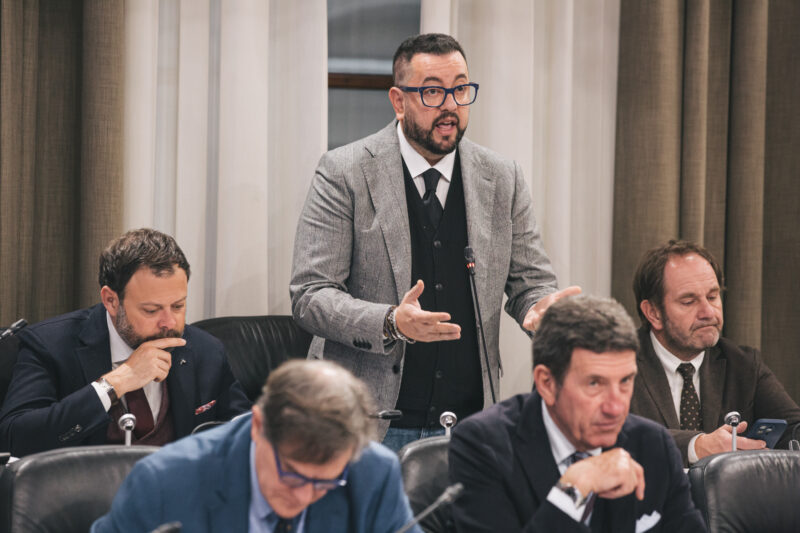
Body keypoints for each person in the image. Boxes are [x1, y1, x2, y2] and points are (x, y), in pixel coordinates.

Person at [290, 33, 578, 450]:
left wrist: (540, 309)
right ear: (398, 100)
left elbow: (530, 282)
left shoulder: (502, 178)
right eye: (432, 92)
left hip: (470, 422)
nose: (450, 106)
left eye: (460, 89)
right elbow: (310, 295)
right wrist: (391, 321)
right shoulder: (344, 173)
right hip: (366, 421)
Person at [449, 295, 706, 532]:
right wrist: (575, 488)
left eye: (625, 381)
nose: (616, 408)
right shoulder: (482, 446)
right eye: (594, 384)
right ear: (547, 383)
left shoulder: (652, 445)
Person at [91, 359, 420, 533]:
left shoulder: (372, 473)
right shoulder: (165, 483)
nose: (303, 496)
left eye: (324, 483)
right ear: (258, 426)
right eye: (291, 475)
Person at [0, 228, 249, 456]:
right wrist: (114, 384)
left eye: (178, 306)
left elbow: (248, 432)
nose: (169, 322)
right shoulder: (50, 345)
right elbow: (14, 438)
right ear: (111, 301)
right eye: (151, 310)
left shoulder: (206, 351)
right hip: (85, 489)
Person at [630, 240, 800, 465]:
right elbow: (614, 437)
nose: (708, 312)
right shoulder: (617, 362)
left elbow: (793, 429)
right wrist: (695, 446)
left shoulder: (743, 364)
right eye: (689, 301)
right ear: (653, 313)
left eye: (712, 297)